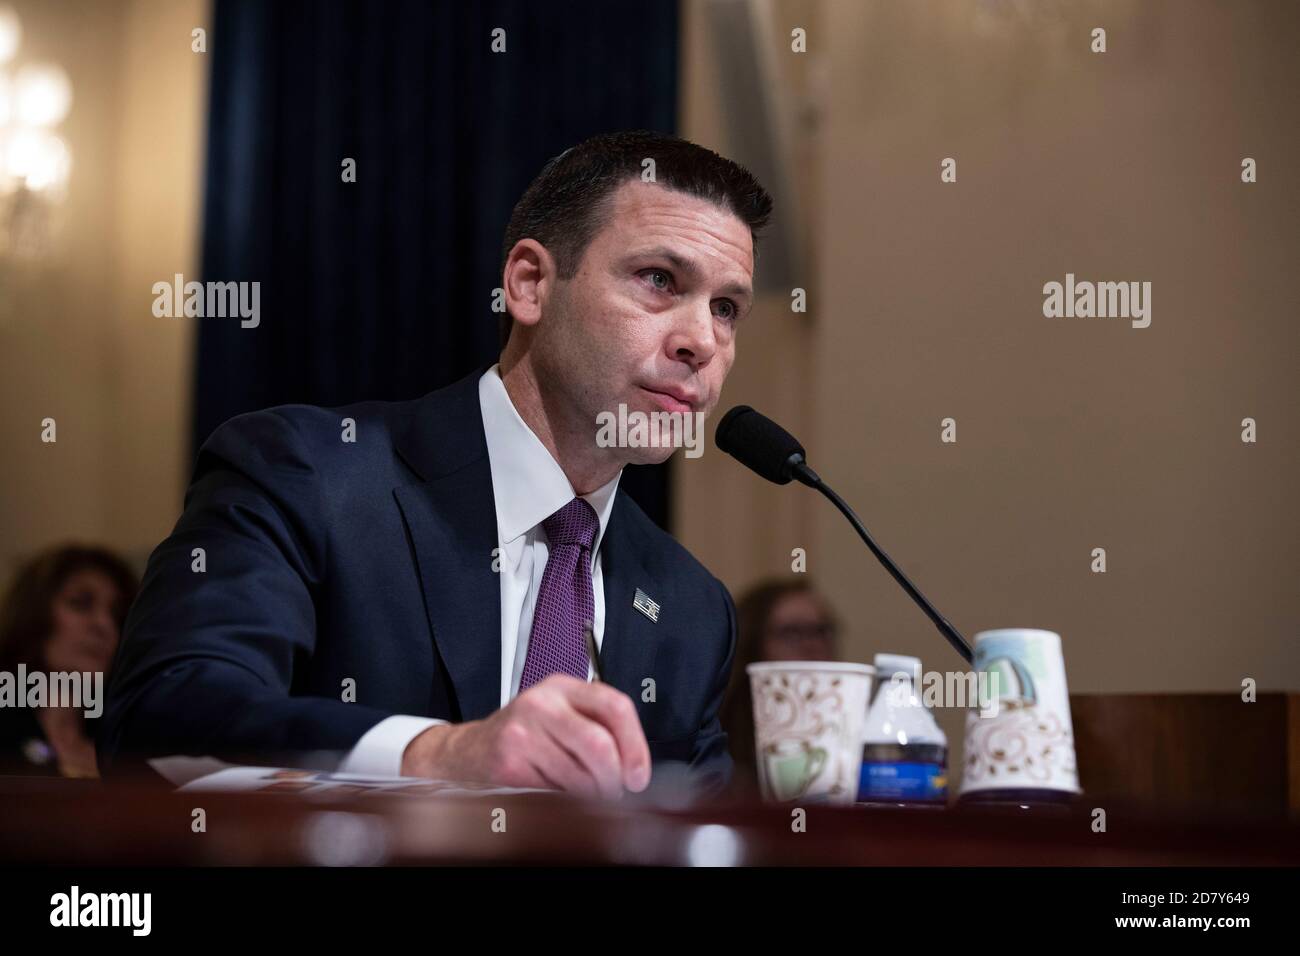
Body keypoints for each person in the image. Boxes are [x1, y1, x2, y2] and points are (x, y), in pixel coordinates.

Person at [100, 130, 773, 799]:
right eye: (659, 280)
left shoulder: (691, 606)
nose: (702, 342)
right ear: (531, 284)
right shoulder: (307, 475)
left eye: (726, 309)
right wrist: (437, 754)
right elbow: (161, 719)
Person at [0, 545, 138, 777]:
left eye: (117, 615)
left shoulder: (127, 747)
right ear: (33, 613)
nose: (104, 625)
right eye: (80, 603)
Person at [719, 578, 839, 792]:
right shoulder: (721, 730)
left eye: (820, 630)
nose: (812, 645)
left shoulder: (853, 718)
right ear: (752, 643)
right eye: (792, 633)